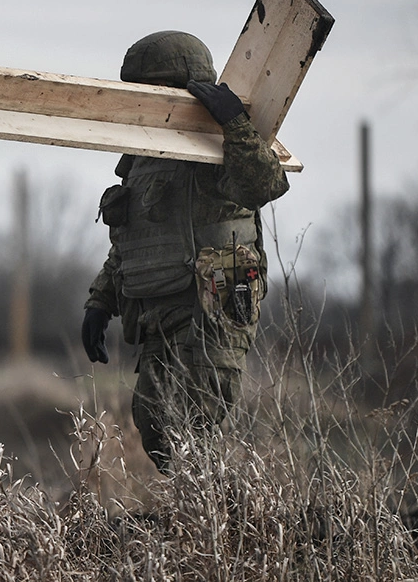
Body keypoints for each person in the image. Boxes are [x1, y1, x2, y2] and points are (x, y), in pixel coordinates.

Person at [81, 30, 290, 473]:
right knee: (154, 423)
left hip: (211, 302)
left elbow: (265, 184)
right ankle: (207, 518)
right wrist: (101, 300)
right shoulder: (144, 156)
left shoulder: (219, 141)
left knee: (190, 424)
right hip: (161, 305)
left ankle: (227, 523)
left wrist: (234, 124)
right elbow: (132, 237)